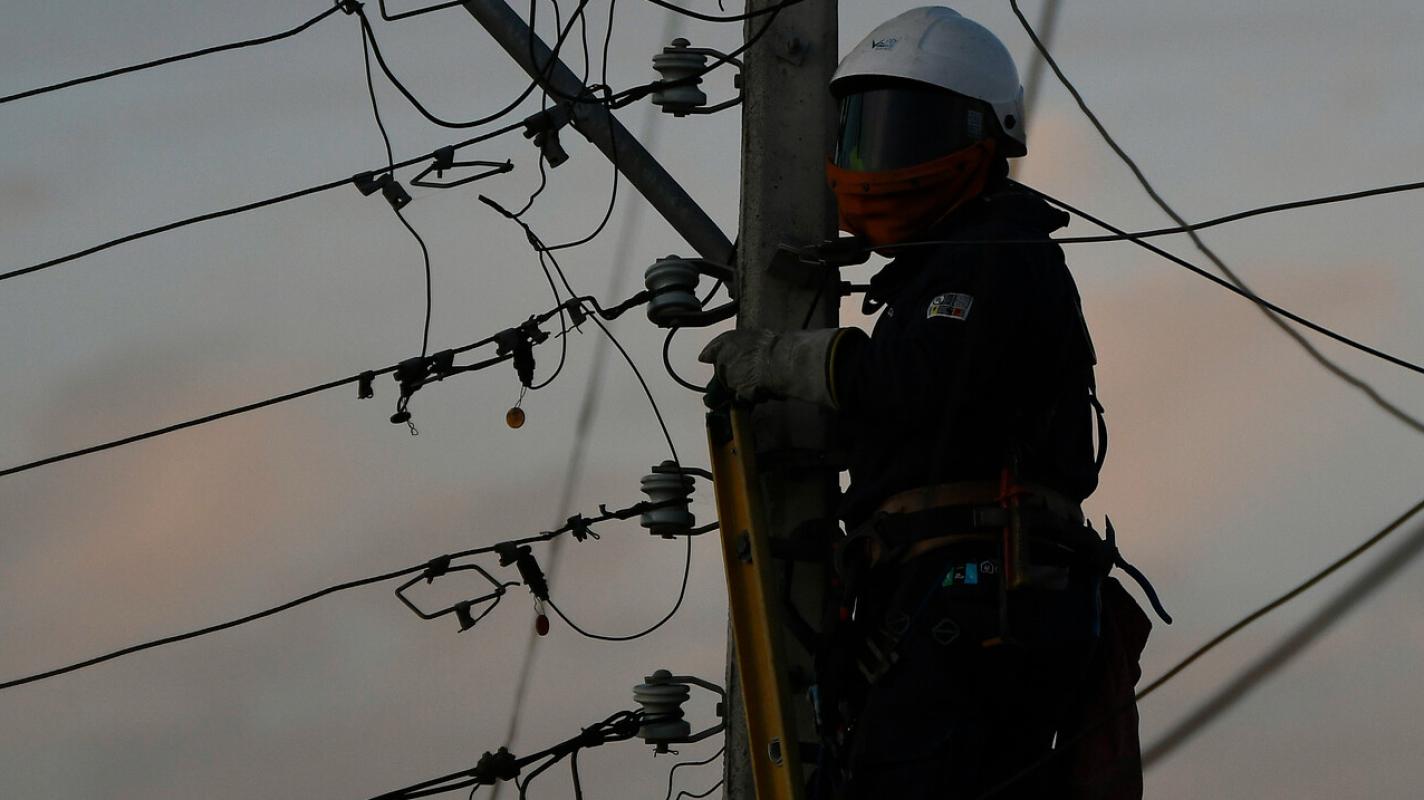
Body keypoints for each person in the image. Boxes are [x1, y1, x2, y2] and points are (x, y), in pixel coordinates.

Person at [699, 7, 1165, 799]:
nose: (880, 159)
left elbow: (918, 378)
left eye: (907, 131)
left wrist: (788, 360)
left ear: (981, 139)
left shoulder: (998, 253)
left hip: (979, 600)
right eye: (865, 133)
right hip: (949, 602)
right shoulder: (939, 273)